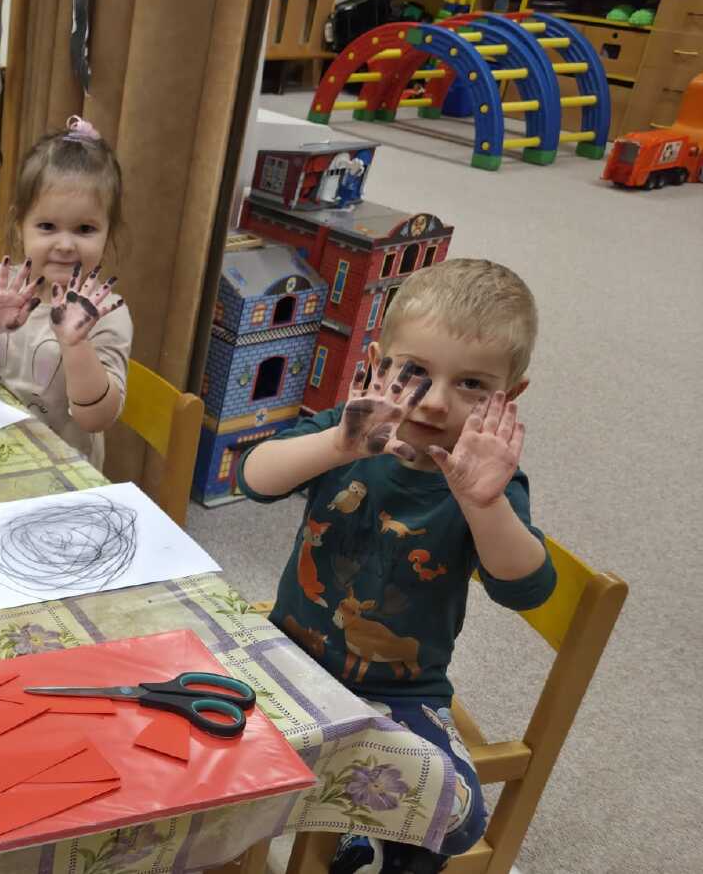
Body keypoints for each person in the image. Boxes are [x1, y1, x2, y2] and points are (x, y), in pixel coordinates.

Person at [236, 259, 557, 874]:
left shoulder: (489, 484)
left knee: (455, 817)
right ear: (377, 364)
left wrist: (484, 504)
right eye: (415, 372)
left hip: (399, 691)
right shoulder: (347, 433)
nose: (435, 402)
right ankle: (331, 828)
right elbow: (254, 478)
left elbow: (526, 589)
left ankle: (362, 840)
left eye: (471, 384)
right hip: (287, 656)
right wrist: (337, 446)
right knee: (195, 756)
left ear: (509, 397)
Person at [0, 115, 131, 467]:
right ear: (20, 226)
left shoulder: (107, 313)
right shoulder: (0, 287)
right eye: (47, 226)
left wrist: (76, 344)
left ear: (108, 234)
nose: (65, 244)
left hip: (61, 471)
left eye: (85, 229)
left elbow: (96, 420)